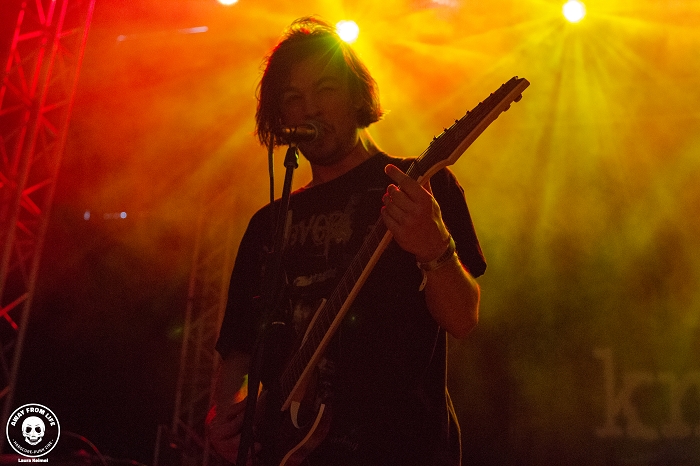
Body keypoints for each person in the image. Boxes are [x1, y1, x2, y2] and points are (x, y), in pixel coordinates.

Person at [206, 16, 486, 466]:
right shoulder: (266, 225)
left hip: (403, 452)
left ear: (358, 94)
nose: (310, 109)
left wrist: (434, 249)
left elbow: (463, 318)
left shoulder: (420, 186)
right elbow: (238, 349)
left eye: (325, 89)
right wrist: (228, 417)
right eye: (293, 98)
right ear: (280, 118)